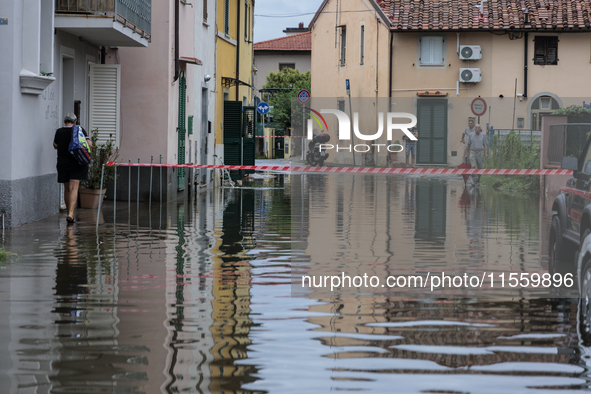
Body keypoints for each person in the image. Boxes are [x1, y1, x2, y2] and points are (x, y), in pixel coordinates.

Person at [53, 113, 92, 224]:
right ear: (75, 122)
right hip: (77, 162)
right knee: (74, 188)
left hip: (63, 163)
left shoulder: (59, 131)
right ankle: (71, 213)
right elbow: (89, 144)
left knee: (67, 188)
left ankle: (67, 213)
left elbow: (55, 146)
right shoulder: (80, 130)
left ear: (65, 121)